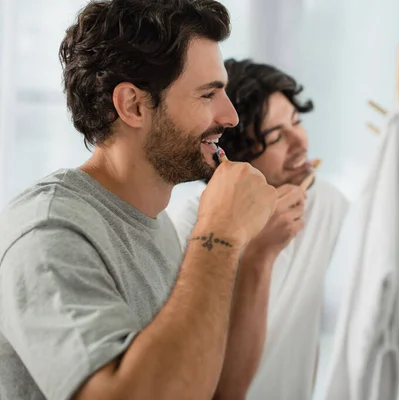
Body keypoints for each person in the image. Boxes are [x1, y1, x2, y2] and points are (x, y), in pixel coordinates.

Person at [0, 2, 279, 400]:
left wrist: (257, 254)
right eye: (208, 94)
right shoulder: (47, 232)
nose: (231, 116)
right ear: (132, 105)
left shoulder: (155, 224)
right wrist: (220, 234)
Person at [168, 59, 349, 400]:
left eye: (297, 122)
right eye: (277, 136)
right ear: (234, 155)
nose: (301, 142)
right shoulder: (188, 229)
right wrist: (260, 252)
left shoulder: (326, 204)